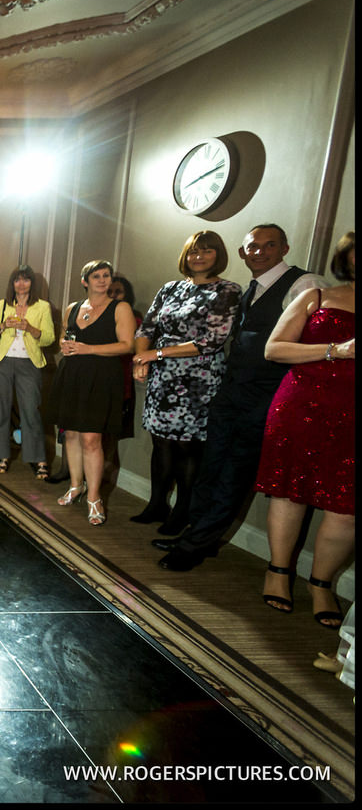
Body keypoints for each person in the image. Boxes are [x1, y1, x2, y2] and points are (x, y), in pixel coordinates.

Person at [154, 224, 328, 570]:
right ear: (242, 253)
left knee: (234, 472)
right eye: (253, 247)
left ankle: (194, 546)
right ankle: (195, 534)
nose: (260, 252)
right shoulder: (250, 289)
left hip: (268, 394)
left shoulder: (305, 285)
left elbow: (307, 343)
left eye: (269, 245)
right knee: (210, 467)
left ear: (285, 247)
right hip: (231, 390)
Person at [253, 232, 354, 627]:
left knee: (346, 509)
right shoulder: (317, 296)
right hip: (303, 405)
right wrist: (336, 350)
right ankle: (278, 571)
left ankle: (321, 583)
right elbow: (274, 348)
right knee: (290, 493)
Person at [130, 232, 241, 536]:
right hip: (163, 377)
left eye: (207, 251)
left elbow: (212, 340)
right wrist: (141, 359)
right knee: (160, 442)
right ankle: (156, 504)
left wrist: (157, 353)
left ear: (218, 255)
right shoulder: (170, 289)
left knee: (186, 446)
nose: (199, 257)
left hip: (198, 379)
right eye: (193, 252)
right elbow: (147, 327)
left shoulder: (227, 290)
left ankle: (183, 510)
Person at [46, 260, 136, 526]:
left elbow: (127, 346)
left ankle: (94, 497)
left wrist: (88, 349)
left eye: (106, 275)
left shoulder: (120, 308)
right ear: (85, 281)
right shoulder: (74, 308)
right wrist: (66, 345)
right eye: (96, 276)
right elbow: (65, 337)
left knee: (92, 440)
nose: (102, 280)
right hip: (72, 376)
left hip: (102, 378)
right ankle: (76, 485)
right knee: (70, 433)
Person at [0, 264, 55, 478]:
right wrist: (4, 325)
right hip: (2, 363)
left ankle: (39, 458)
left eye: (26, 279)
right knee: (2, 411)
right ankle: (3, 456)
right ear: (12, 283)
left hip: (29, 363)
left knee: (31, 412)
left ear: (32, 283)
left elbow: (49, 338)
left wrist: (30, 328)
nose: (21, 284)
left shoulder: (42, 306)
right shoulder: (2, 305)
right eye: (17, 279)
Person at [102, 275, 142, 483]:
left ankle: (104, 482)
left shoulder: (135, 320)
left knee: (110, 438)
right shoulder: (96, 314)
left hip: (120, 385)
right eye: (110, 291)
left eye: (119, 292)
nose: (114, 296)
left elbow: (132, 349)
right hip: (97, 382)